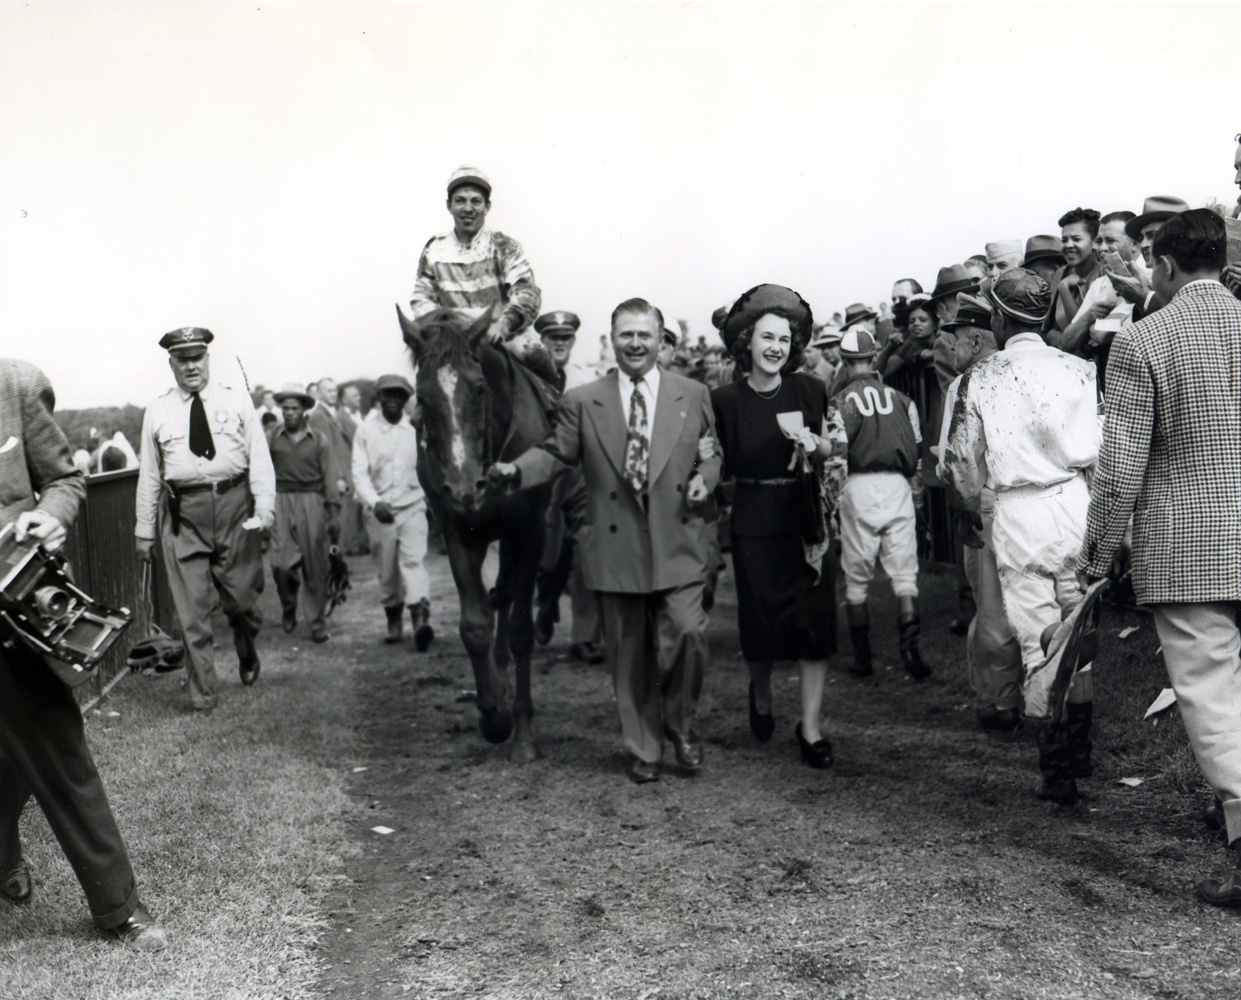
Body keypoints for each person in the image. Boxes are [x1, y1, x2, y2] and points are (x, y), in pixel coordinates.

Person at [1077, 210, 1241, 906]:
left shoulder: (1145, 340)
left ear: (1166, 267)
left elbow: (1119, 468)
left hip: (1187, 544)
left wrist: (1096, 553)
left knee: (1210, 696)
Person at [487, 298, 720, 784]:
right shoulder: (582, 400)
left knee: (689, 634)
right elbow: (555, 453)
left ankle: (679, 726)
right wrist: (515, 471)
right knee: (628, 653)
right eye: (626, 335)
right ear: (613, 340)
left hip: (677, 537)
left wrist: (709, 478)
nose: (635, 344)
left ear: (660, 340)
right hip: (617, 544)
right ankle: (644, 747)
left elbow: (709, 452)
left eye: (644, 335)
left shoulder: (693, 394)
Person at [0, 359, 167, 950]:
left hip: (17, 612)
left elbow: (66, 480)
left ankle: (117, 905)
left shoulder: (14, 384)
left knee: (53, 749)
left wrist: (49, 515)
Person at [941, 269, 1100, 804]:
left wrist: (971, 507)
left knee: (1038, 636)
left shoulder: (979, 379)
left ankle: (1058, 769)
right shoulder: (1078, 368)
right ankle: (1079, 748)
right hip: (1076, 501)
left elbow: (962, 468)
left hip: (1019, 510)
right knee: (1077, 624)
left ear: (1000, 318)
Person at [711, 285, 843, 768]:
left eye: (784, 341)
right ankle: (761, 691)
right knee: (760, 626)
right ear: (747, 341)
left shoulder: (809, 390)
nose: (775, 348)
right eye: (767, 338)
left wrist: (815, 445)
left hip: (805, 519)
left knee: (814, 626)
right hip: (753, 521)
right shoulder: (723, 400)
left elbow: (832, 448)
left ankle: (809, 728)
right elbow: (716, 466)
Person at [135, 327, 275, 710]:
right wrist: (144, 531)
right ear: (172, 365)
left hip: (234, 506)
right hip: (183, 516)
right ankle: (203, 694)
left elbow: (259, 457)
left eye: (197, 358)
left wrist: (264, 507)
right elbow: (149, 474)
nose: (191, 366)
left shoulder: (236, 401)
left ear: (208, 359)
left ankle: (246, 648)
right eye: (182, 360)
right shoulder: (158, 410)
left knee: (241, 603)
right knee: (191, 611)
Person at [933, 300, 1023, 729]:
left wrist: (962, 509)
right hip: (1044, 502)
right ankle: (1050, 702)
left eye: (956, 337)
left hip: (988, 503)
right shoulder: (1031, 368)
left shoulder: (964, 384)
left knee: (993, 610)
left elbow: (956, 463)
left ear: (976, 338)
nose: (950, 346)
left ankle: (1004, 703)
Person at [830, 327, 930, 681]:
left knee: (857, 580)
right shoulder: (903, 400)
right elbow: (916, 457)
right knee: (905, 576)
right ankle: (911, 651)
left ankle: (863, 657)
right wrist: (917, 503)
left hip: (857, 486)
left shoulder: (839, 403)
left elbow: (837, 459)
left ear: (844, 362)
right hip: (897, 485)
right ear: (874, 358)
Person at [410, 166, 555, 384]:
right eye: (460, 200)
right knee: (429, 393)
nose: (468, 208)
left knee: (545, 366)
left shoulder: (504, 245)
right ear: (449, 205)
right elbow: (422, 297)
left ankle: (557, 411)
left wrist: (505, 324)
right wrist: (439, 331)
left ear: (487, 206)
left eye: (475, 201)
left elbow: (527, 292)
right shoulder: (434, 249)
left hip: (501, 336)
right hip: (454, 342)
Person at [531, 311, 605, 664]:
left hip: (577, 474)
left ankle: (584, 637)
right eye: (552, 338)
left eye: (565, 338)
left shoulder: (586, 379)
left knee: (585, 552)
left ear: (573, 342)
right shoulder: (528, 377)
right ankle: (546, 606)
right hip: (538, 475)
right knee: (548, 557)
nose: (559, 344)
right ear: (541, 342)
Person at [351, 374, 433, 650]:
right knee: (387, 571)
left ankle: (421, 620)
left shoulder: (415, 428)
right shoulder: (365, 430)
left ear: (406, 399)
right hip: (380, 510)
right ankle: (393, 620)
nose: (393, 400)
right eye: (388, 395)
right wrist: (375, 503)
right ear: (379, 398)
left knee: (413, 562)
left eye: (399, 395)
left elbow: (429, 465)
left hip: (412, 505)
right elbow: (358, 473)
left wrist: (429, 500)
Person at [267, 383, 341, 643]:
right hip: (281, 500)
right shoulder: (272, 438)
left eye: (294, 409)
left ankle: (317, 622)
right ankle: (289, 605)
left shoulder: (319, 439)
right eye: (284, 409)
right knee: (281, 565)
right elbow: (261, 472)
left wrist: (333, 512)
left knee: (315, 566)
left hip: (312, 501)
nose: (288, 413)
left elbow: (330, 478)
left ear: (304, 411)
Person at [1048, 207, 1106, 356]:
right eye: (1064, 240)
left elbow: (1083, 333)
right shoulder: (1060, 273)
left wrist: (1065, 290)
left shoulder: (1104, 275)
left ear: (1094, 242)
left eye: (1077, 239)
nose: (1068, 245)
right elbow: (1048, 328)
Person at [337, 383, 370, 556]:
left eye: (359, 395)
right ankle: (352, 544)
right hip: (349, 465)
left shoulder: (360, 416)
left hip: (364, 464)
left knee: (362, 504)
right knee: (351, 506)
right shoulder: (340, 418)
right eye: (354, 396)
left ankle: (363, 541)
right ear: (344, 399)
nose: (359, 398)